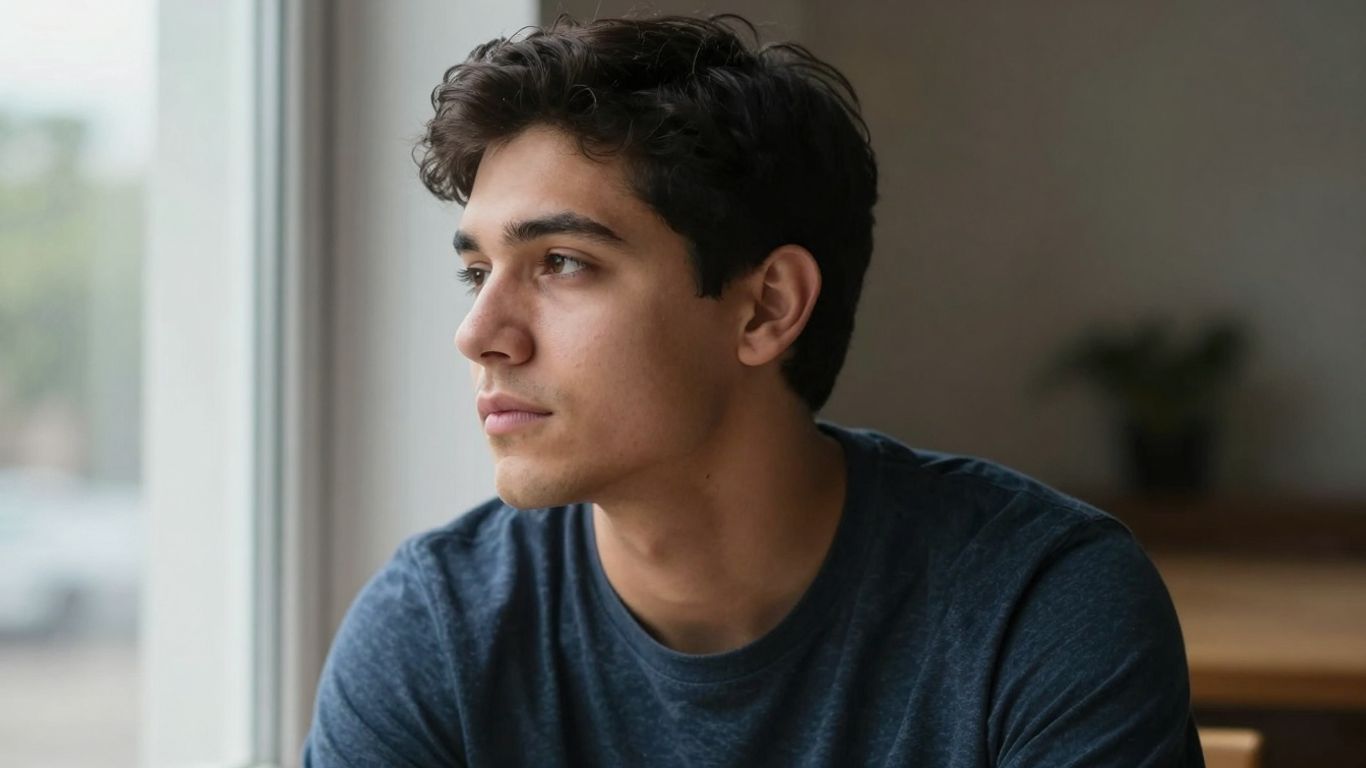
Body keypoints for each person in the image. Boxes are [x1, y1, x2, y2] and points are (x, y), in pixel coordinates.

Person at [303, 13, 1204, 767]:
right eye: (477, 274)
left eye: (563, 264)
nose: (479, 334)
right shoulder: (436, 630)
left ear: (767, 308)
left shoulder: (1037, 607)